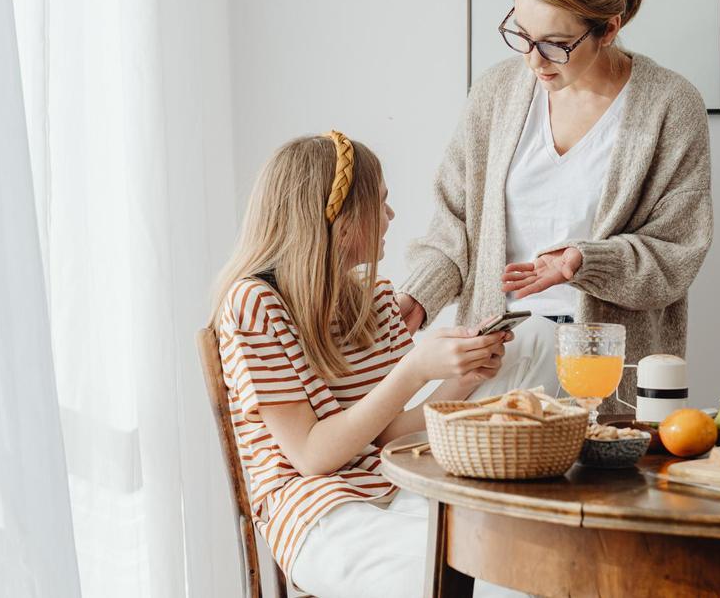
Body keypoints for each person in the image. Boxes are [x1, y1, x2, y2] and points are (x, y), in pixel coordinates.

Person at [210, 131, 553, 597]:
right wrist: (416, 370)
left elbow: (390, 435)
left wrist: (463, 378)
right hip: (319, 511)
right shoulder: (255, 303)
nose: (391, 216)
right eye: (380, 203)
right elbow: (312, 457)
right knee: (483, 584)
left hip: (395, 483)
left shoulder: (371, 299)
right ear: (339, 217)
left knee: (536, 340)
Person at [399, 0, 714, 405]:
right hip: (496, 355)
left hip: (604, 370)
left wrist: (585, 262)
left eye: (555, 43)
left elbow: (677, 251)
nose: (533, 60)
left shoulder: (670, 105)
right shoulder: (495, 95)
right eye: (522, 35)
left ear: (608, 29)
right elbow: (455, 224)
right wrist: (417, 298)